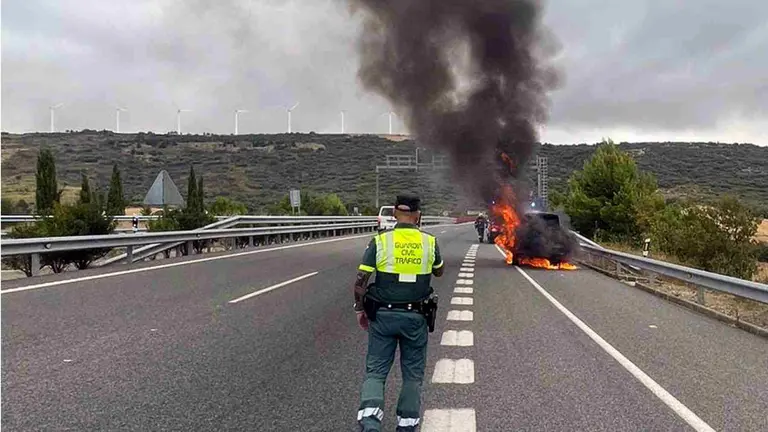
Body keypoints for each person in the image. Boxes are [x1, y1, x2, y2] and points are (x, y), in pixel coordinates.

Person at [353, 194, 444, 432]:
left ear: (394, 214)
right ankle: (407, 426)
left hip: (382, 317)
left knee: (376, 371)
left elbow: (361, 279)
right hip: (415, 318)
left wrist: (359, 308)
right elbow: (439, 271)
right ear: (418, 215)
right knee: (412, 375)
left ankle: (370, 423)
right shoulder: (430, 242)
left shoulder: (380, 241)